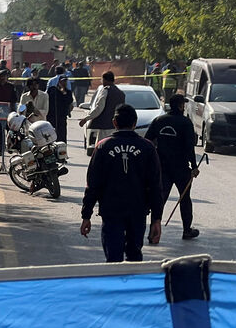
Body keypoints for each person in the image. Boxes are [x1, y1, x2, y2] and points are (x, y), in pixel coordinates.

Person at [80, 104, 163, 262]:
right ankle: (131, 285)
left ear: (114, 123)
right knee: (134, 256)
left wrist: (86, 215)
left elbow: (93, 184)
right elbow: (155, 187)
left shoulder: (103, 146)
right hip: (137, 211)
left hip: (112, 211)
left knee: (113, 258)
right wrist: (156, 219)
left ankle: (115, 284)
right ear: (135, 123)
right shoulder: (147, 148)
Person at [145, 94, 201, 239]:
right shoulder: (185, 122)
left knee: (159, 200)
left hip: (162, 167)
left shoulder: (159, 120)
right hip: (181, 168)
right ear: (180, 106)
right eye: (184, 104)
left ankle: (153, 232)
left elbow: (147, 141)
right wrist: (194, 166)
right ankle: (187, 230)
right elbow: (190, 147)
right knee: (185, 198)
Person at [79, 71, 126, 145]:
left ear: (105, 80)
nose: (101, 81)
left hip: (105, 127)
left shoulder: (105, 91)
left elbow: (99, 109)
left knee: (102, 147)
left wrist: (86, 119)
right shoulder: (121, 93)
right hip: (117, 127)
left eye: (102, 79)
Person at [46, 75, 73, 142]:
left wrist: (64, 92)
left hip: (62, 117)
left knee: (62, 135)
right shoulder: (52, 90)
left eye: (65, 82)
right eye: (62, 81)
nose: (64, 83)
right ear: (59, 82)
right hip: (51, 116)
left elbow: (69, 101)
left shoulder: (68, 92)